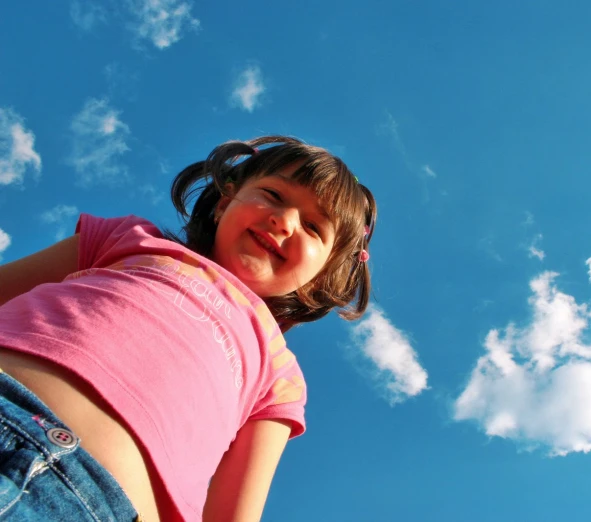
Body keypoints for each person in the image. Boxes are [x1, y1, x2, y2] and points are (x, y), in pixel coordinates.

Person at [0, 135, 376, 521]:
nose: (284, 220)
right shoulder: (131, 239)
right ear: (225, 202)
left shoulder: (280, 373)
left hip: (96, 503)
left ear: (319, 277)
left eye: (314, 227)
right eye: (273, 195)